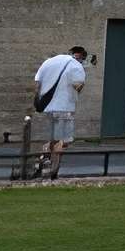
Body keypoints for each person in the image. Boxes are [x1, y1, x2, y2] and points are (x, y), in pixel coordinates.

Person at [30, 44, 89, 179]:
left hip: (47, 109)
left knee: (52, 140)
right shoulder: (76, 65)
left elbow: (37, 85)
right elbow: (77, 86)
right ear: (79, 55)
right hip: (65, 109)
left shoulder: (48, 62)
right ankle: (53, 171)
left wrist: (39, 104)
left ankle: (41, 159)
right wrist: (80, 86)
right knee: (63, 142)